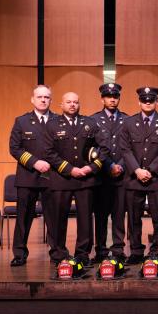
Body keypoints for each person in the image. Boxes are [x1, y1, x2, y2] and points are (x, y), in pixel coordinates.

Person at [40, 92, 105, 266]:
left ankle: (82, 254)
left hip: (86, 179)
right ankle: (59, 253)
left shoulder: (90, 123)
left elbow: (103, 149)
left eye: (75, 102)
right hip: (62, 178)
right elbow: (48, 152)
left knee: (85, 219)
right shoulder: (52, 125)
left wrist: (90, 168)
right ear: (61, 105)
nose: (72, 105)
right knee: (58, 219)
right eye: (68, 102)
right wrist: (70, 170)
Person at [118, 87, 158, 263]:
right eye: (144, 100)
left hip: (157, 178)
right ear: (139, 102)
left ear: (157, 102)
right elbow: (125, 149)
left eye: (151, 99)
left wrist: (150, 171)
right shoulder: (129, 123)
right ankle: (136, 251)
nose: (148, 102)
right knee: (134, 218)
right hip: (134, 177)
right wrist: (137, 170)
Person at [8, 84, 53, 266]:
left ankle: (57, 253)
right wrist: (35, 162)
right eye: (40, 97)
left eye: (47, 97)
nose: (43, 100)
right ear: (32, 99)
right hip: (27, 177)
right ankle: (19, 254)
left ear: (51, 100)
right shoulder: (22, 121)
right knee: (23, 218)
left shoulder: (58, 121)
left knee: (54, 217)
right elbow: (15, 148)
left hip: (51, 177)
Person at [91, 82, 128, 263]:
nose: (112, 99)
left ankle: (119, 249)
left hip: (121, 175)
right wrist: (109, 165)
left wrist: (119, 165)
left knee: (119, 214)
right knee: (101, 215)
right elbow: (91, 150)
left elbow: (130, 148)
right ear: (102, 99)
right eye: (108, 96)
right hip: (102, 175)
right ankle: (101, 250)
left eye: (115, 96)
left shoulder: (128, 120)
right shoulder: (93, 120)